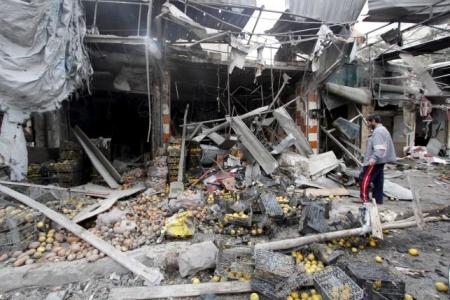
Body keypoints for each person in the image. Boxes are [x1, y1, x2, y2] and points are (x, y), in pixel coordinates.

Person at [360, 114, 396, 204]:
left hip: (375, 161)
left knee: (364, 178)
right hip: (381, 160)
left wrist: (373, 158)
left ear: (374, 121)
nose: (367, 124)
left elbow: (380, 147)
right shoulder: (382, 130)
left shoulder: (378, 132)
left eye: (369, 122)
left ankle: (364, 199)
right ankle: (378, 200)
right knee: (378, 180)